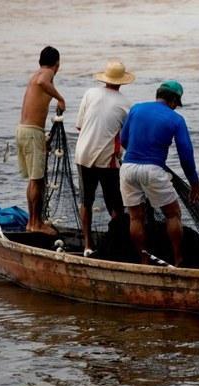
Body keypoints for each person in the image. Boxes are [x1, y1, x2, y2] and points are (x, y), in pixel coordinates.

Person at [119, 80, 199, 266]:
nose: (175, 107)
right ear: (173, 99)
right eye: (176, 103)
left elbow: (123, 139)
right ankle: (178, 260)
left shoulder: (136, 109)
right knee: (172, 214)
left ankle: (144, 260)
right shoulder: (176, 119)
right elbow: (186, 155)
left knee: (135, 217)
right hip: (153, 170)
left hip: (128, 167)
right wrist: (194, 183)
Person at [74, 60, 135, 256]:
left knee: (86, 201)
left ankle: (87, 245)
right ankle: (115, 244)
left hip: (82, 154)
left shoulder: (90, 94)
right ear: (122, 82)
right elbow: (126, 137)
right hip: (107, 159)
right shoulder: (126, 104)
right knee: (115, 205)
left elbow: (80, 126)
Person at [16, 45, 66, 235]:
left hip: (24, 130)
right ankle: (36, 224)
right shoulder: (46, 74)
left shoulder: (35, 74)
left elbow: (40, 84)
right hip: (31, 132)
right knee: (37, 180)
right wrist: (60, 99)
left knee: (34, 180)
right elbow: (43, 81)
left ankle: (32, 222)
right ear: (57, 64)